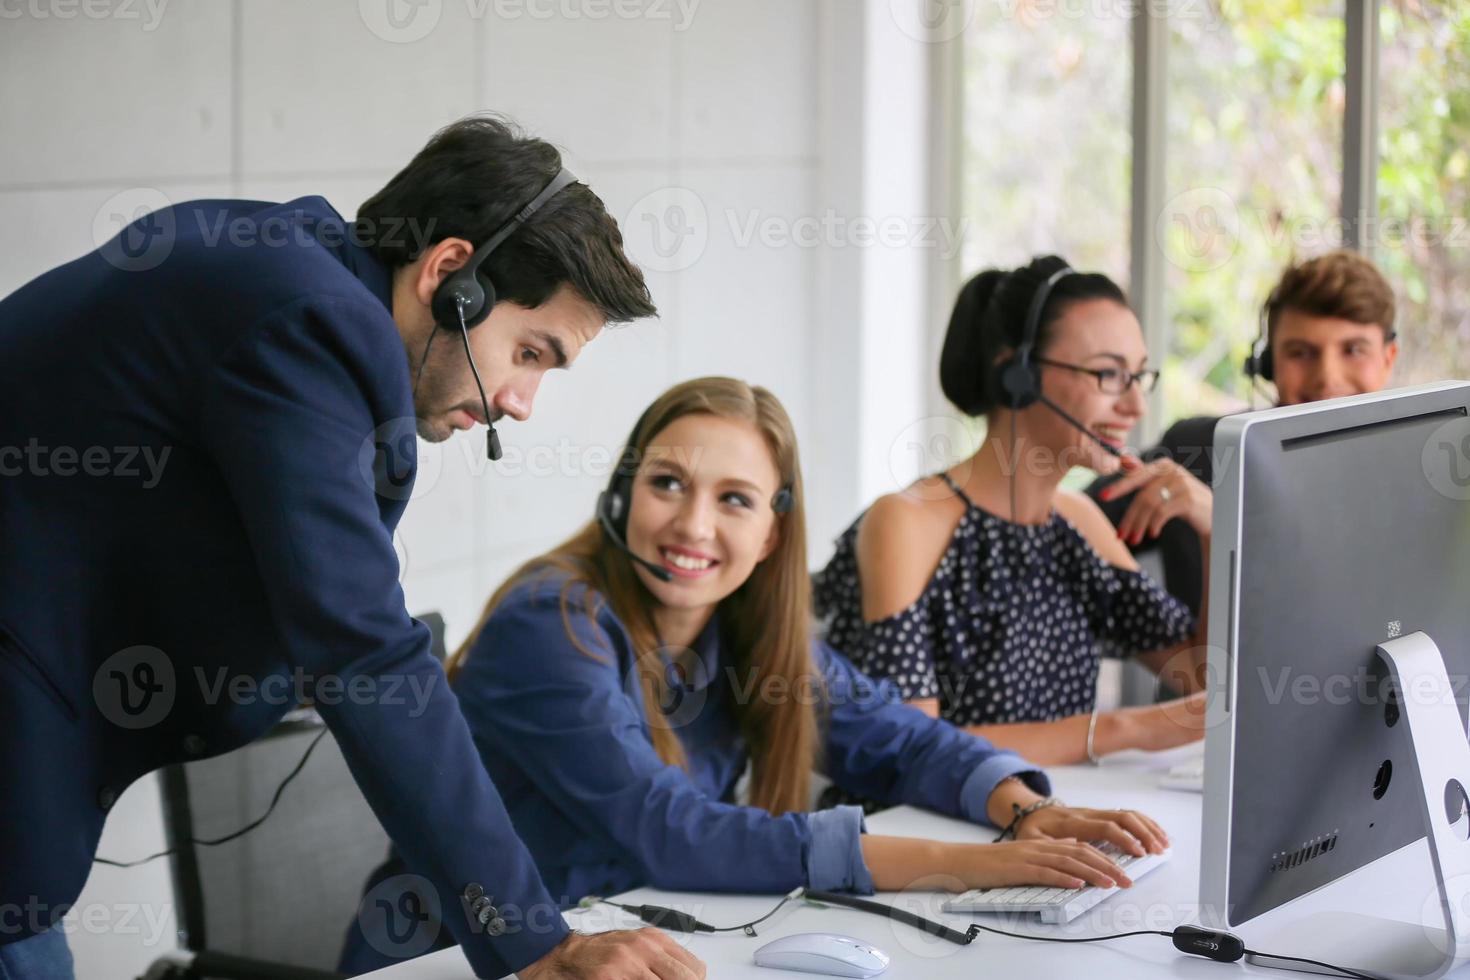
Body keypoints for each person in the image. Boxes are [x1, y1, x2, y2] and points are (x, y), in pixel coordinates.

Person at [0, 115, 704, 980]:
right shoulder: (309, 319)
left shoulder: (283, 268)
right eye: (528, 352)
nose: (521, 401)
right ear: (450, 276)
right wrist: (536, 941)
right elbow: (362, 646)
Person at [340, 376, 1174, 974]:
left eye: (735, 499)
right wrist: (963, 865)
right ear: (623, 496)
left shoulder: (744, 634)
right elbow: (669, 829)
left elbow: (899, 739)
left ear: (773, 536)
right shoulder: (549, 623)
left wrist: (1024, 811)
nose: (693, 524)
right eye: (667, 484)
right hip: (463, 961)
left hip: (635, 945)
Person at [814, 256, 1211, 768]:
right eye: (1109, 375)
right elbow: (916, 751)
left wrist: (1215, 527)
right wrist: (1124, 727)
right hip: (931, 831)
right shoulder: (906, 522)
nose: (1136, 405)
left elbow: (1201, 681)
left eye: (1139, 376)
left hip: (1048, 823)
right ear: (1018, 375)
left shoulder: (1080, 522)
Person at [1087, 249, 1400, 617]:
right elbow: (1062, 534)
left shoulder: (1426, 473)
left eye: (1353, 350)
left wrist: (1224, 529)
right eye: (1301, 352)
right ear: (1267, 366)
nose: (1327, 377)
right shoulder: (1198, 451)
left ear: (1388, 359)